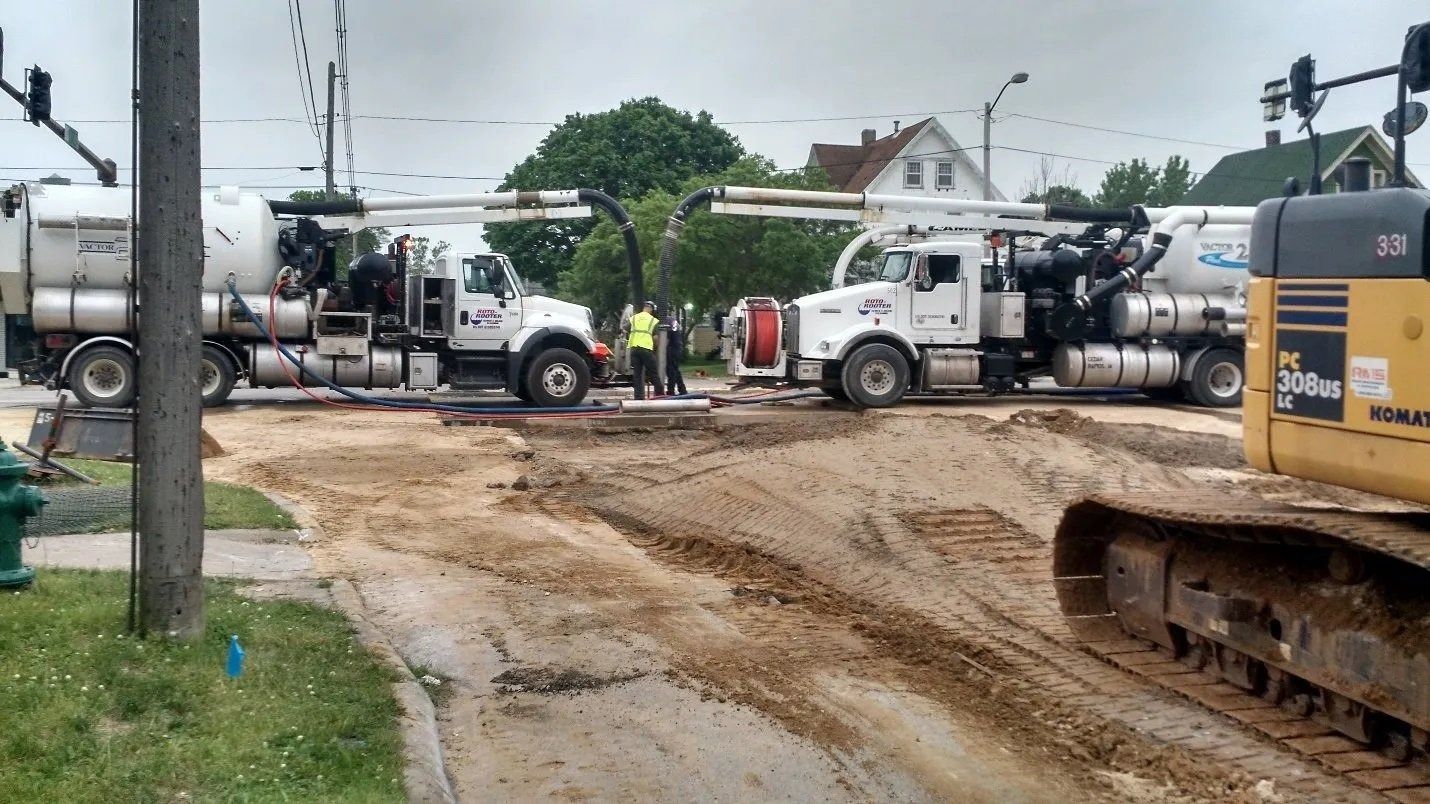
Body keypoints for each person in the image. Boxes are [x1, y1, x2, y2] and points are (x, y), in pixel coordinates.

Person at [625, 300, 660, 400]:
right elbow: (656, 338)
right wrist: (655, 350)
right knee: (653, 373)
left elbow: (625, 329)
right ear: (652, 309)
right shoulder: (653, 320)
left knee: (637, 374)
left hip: (634, 349)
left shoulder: (634, 318)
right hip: (646, 349)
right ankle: (660, 394)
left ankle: (639, 397)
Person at [664, 314, 687, 396]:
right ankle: (682, 390)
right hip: (677, 347)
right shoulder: (672, 320)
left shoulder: (666, 322)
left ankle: (670, 391)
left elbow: (666, 339)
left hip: (671, 348)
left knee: (671, 371)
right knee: (675, 370)